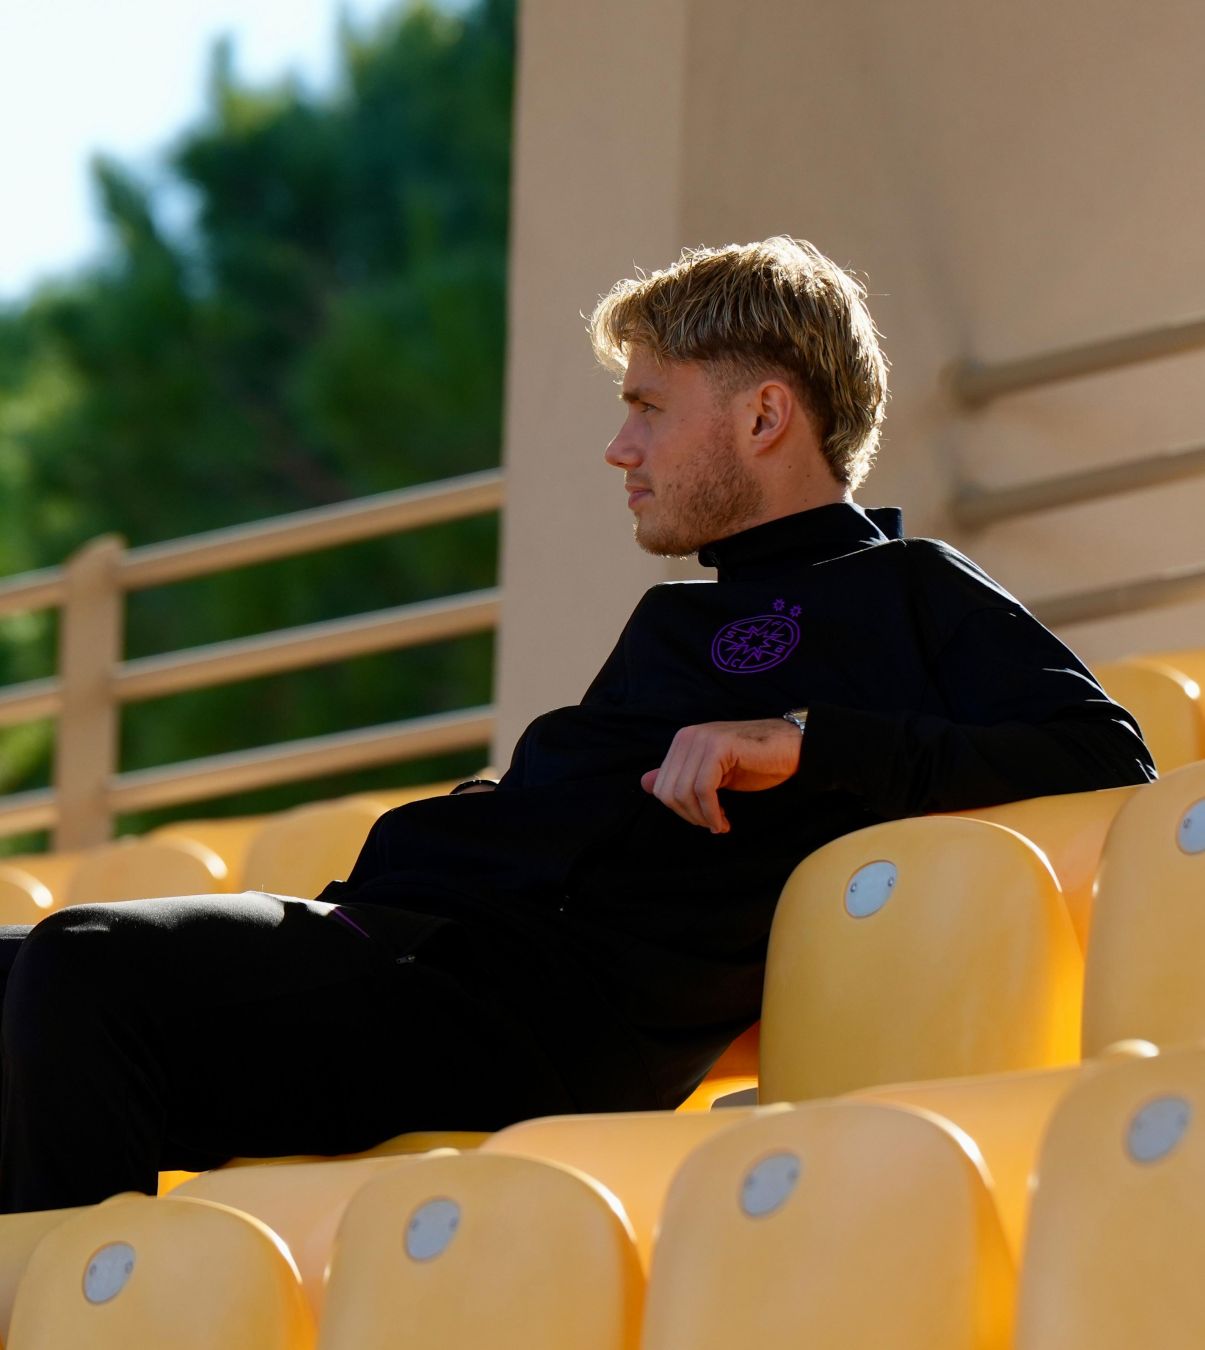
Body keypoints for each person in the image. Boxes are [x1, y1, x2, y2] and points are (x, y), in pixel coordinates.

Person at [0, 237, 1154, 1213]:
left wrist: (808, 740)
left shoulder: (908, 590)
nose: (619, 448)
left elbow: (1107, 759)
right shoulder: (678, 619)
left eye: (648, 409)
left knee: (83, 960)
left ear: (763, 414)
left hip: (512, 1010)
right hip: (403, 948)